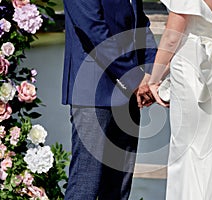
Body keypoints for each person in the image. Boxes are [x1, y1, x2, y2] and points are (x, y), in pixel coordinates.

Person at [149, 0, 212, 199]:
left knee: (185, 150)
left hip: (190, 69)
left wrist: (154, 79)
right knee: (207, 148)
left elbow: (172, 37)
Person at [61, 0, 157, 199]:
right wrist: (134, 79)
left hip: (130, 96)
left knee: (119, 189)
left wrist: (151, 73)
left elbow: (141, 25)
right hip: (93, 93)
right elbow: (93, 29)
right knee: (85, 184)